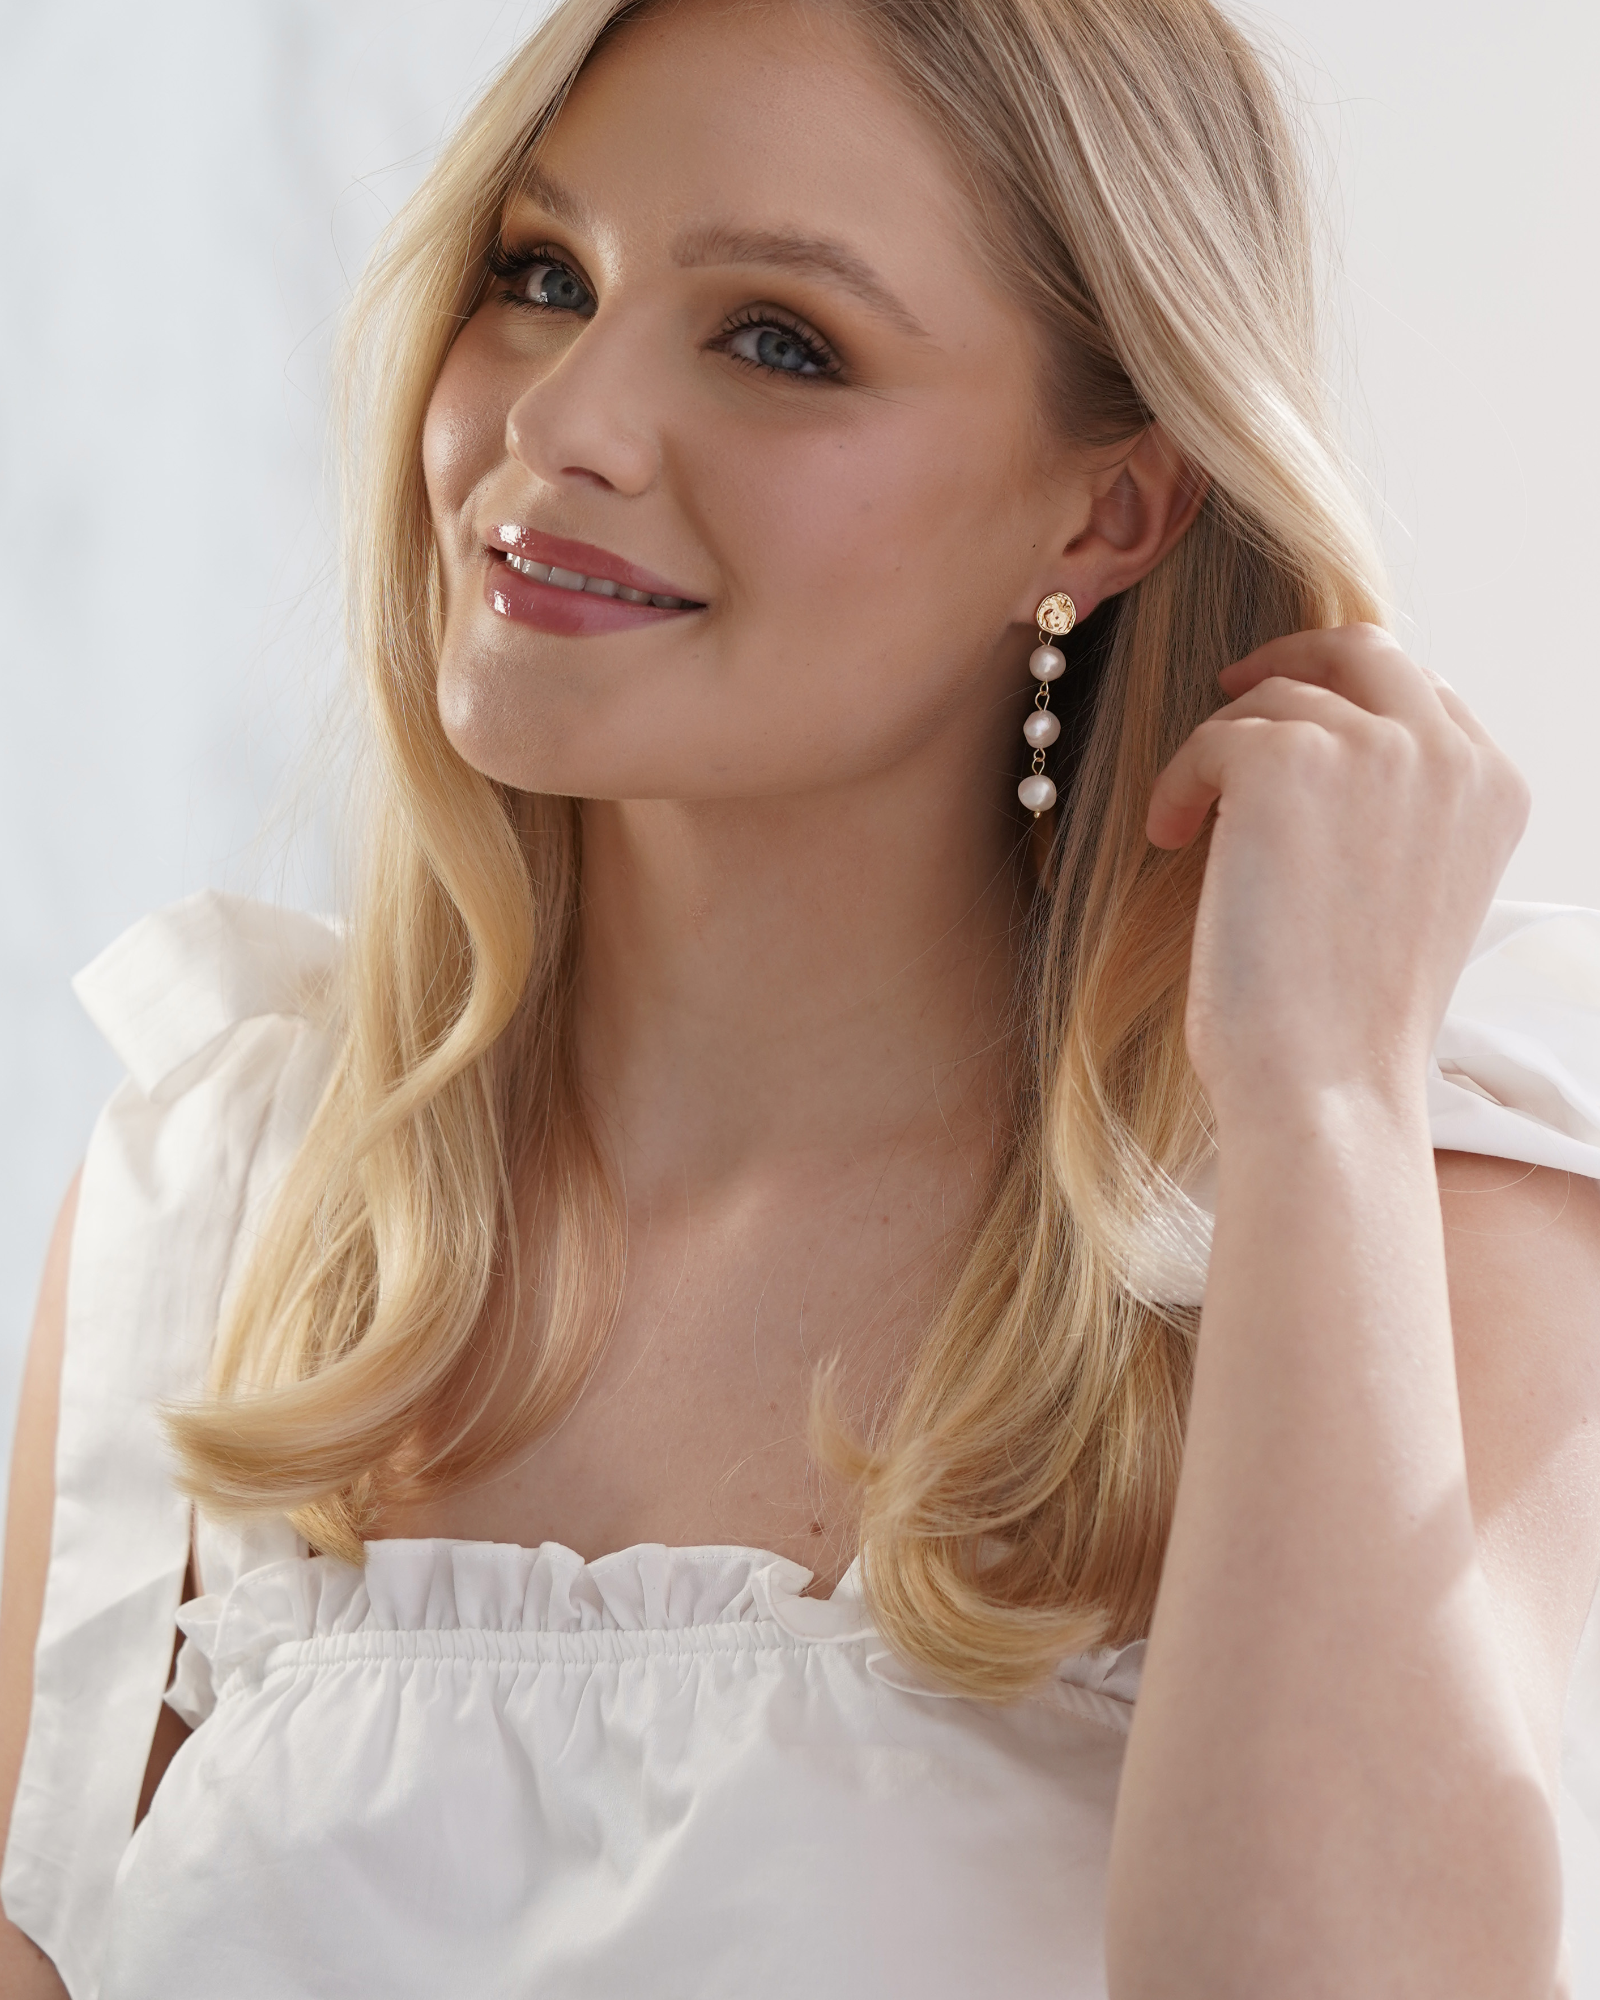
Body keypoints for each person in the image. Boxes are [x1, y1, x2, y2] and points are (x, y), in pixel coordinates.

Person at [4, 0, 1599, 1992]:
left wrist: (1323, 1096)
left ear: (1106, 512)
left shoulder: (1406, 1191)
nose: (561, 424)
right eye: (540, 274)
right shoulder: (225, 1199)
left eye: (779, 341)